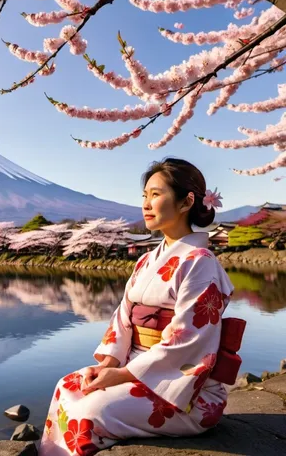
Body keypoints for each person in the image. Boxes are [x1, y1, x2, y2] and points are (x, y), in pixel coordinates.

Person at [38, 158, 238, 456]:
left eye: (155, 195)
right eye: (144, 196)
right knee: (68, 386)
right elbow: (123, 320)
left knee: (89, 411)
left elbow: (188, 341)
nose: (146, 203)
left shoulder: (200, 263)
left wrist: (122, 375)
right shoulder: (146, 260)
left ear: (187, 202)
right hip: (138, 371)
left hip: (186, 392)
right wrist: (108, 364)